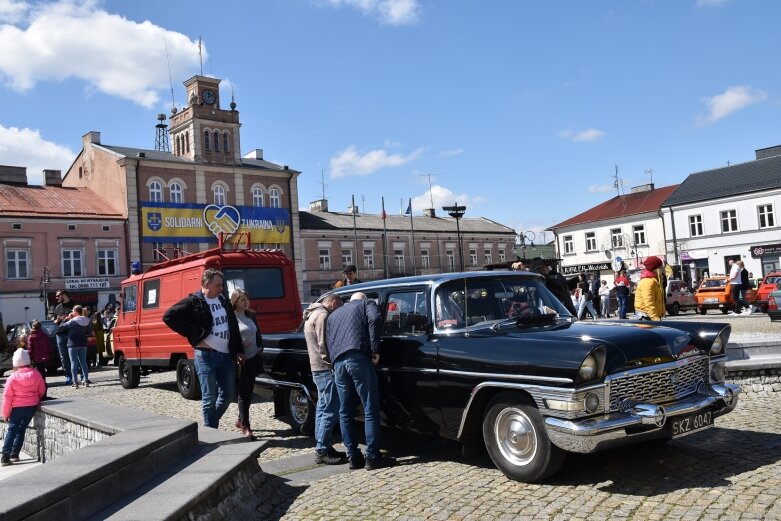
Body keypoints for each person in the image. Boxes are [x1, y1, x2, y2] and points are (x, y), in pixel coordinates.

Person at [163, 268, 243, 429]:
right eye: (218, 285)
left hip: (226, 355)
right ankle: (211, 432)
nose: (222, 288)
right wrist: (194, 333)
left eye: (221, 285)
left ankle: (209, 427)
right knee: (209, 398)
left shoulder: (223, 300)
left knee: (227, 395)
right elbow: (169, 316)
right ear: (206, 284)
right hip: (206, 356)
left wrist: (239, 349)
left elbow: (233, 326)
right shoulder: (194, 301)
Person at [326, 292, 397, 471]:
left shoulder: (334, 314)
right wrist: (375, 348)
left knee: (345, 411)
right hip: (358, 357)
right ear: (363, 299)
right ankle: (372, 457)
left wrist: (334, 360)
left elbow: (328, 340)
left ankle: (353, 457)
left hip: (338, 363)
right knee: (370, 408)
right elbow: (375, 319)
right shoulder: (367, 304)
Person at [303, 294, 347, 465]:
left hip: (317, 367)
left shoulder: (311, 313)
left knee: (322, 407)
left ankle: (323, 445)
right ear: (334, 303)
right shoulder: (322, 315)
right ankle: (322, 449)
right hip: (324, 368)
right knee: (330, 408)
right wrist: (332, 363)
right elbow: (324, 344)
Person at [1, 349, 45, 466]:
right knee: (21, 429)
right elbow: (41, 390)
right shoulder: (36, 374)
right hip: (31, 406)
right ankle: (15, 454)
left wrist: (5, 414)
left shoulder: (12, 378)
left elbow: (7, 397)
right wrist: (36, 398)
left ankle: (5, 457)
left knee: (12, 430)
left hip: (17, 408)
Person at [231, 288, 264, 439]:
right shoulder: (231, 317)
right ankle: (245, 426)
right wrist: (240, 343)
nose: (246, 302)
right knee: (243, 394)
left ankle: (240, 419)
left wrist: (260, 346)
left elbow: (258, 333)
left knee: (249, 393)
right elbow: (228, 338)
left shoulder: (251, 315)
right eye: (242, 300)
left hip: (253, 359)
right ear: (235, 302)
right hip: (241, 360)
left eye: (247, 299)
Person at [58, 305, 92, 388]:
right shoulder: (87, 320)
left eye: (73, 311)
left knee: (74, 362)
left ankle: (75, 382)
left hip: (72, 344)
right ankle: (86, 380)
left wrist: (67, 318)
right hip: (83, 343)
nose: (72, 312)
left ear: (76, 312)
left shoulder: (72, 321)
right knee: (83, 362)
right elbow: (89, 332)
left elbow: (61, 327)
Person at [52, 289, 75, 385]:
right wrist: (57, 320)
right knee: (63, 356)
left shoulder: (74, 305)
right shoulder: (57, 307)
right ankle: (68, 376)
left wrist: (69, 318)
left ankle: (80, 375)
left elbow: (80, 317)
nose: (56, 298)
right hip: (60, 333)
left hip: (72, 333)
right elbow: (53, 320)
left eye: (58, 296)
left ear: (63, 295)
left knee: (74, 355)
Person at [634, 256, 666, 321]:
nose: (663, 269)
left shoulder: (654, 281)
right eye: (660, 267)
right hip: (646, 317)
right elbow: (648, 302)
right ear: (656, 269)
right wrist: (655, 318)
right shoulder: (647, 282)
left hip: (650, 315)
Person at [27, 320, 51, 398]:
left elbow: (30, 349)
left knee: (37, 377)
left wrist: (30, 359)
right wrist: (49, 355)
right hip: (44, 358)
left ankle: (39, 395)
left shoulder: (31, 337)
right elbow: (48, 347)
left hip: (36, 359)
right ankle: (44, 394)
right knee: (43, 377)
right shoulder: (44, 335)